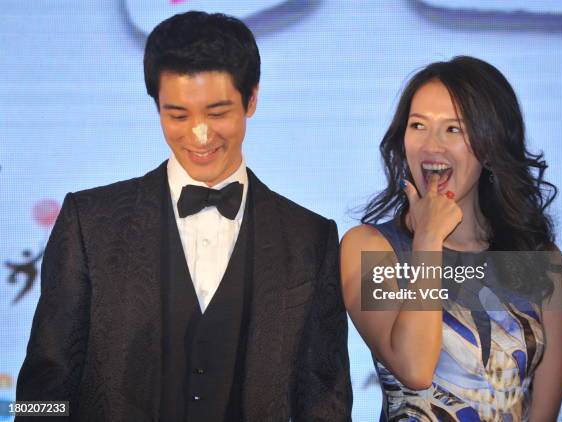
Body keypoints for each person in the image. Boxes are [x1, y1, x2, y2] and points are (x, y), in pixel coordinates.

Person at [16, 11, 352, 421]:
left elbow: (325, 397)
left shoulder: (309, 238)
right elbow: (43, 383)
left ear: (252, 100)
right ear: (156, 106)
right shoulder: (89, 223)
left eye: (216, 113)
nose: (199, 135)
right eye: (177, 115)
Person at [341, 56, 562, 421]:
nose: (433, 146)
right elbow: (414, 368)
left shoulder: (543, 259)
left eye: (454, 130)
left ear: (489, 143)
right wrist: (428, 238)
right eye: (419, 125)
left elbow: (543, 410)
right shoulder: (368, 247)